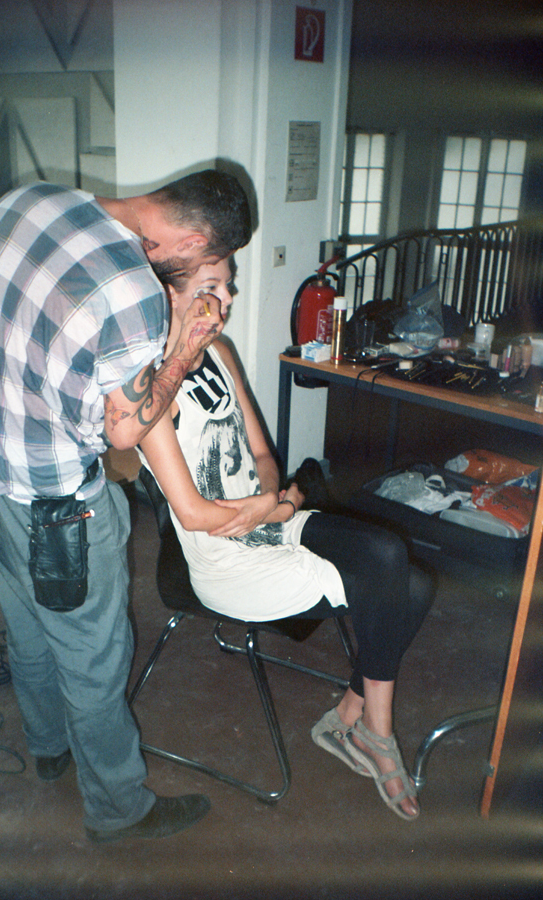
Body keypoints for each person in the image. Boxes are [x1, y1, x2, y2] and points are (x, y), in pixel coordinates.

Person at [0, 171, 252, 843]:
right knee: (92, 662)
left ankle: (47, 746)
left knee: (28, 626)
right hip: (57, 507)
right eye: (210, 268)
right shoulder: (134, 293)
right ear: (192, 242)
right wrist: (184, 350)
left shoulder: (27, 199)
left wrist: (40, 353)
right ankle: (118, 810)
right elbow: (125, 430)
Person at [138, 258, 435, 822]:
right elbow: (195, 516)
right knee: (401, 582)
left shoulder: (221, 352)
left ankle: (352, 718)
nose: (225, 300)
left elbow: (262, 455)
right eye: (210, 288)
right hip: (225, 564)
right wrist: (277, 505)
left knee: (403, 571)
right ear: (170, 295)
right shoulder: (149, 391)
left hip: (272, 521)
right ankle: (375, 734)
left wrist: (276, 501)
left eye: (228, 287)